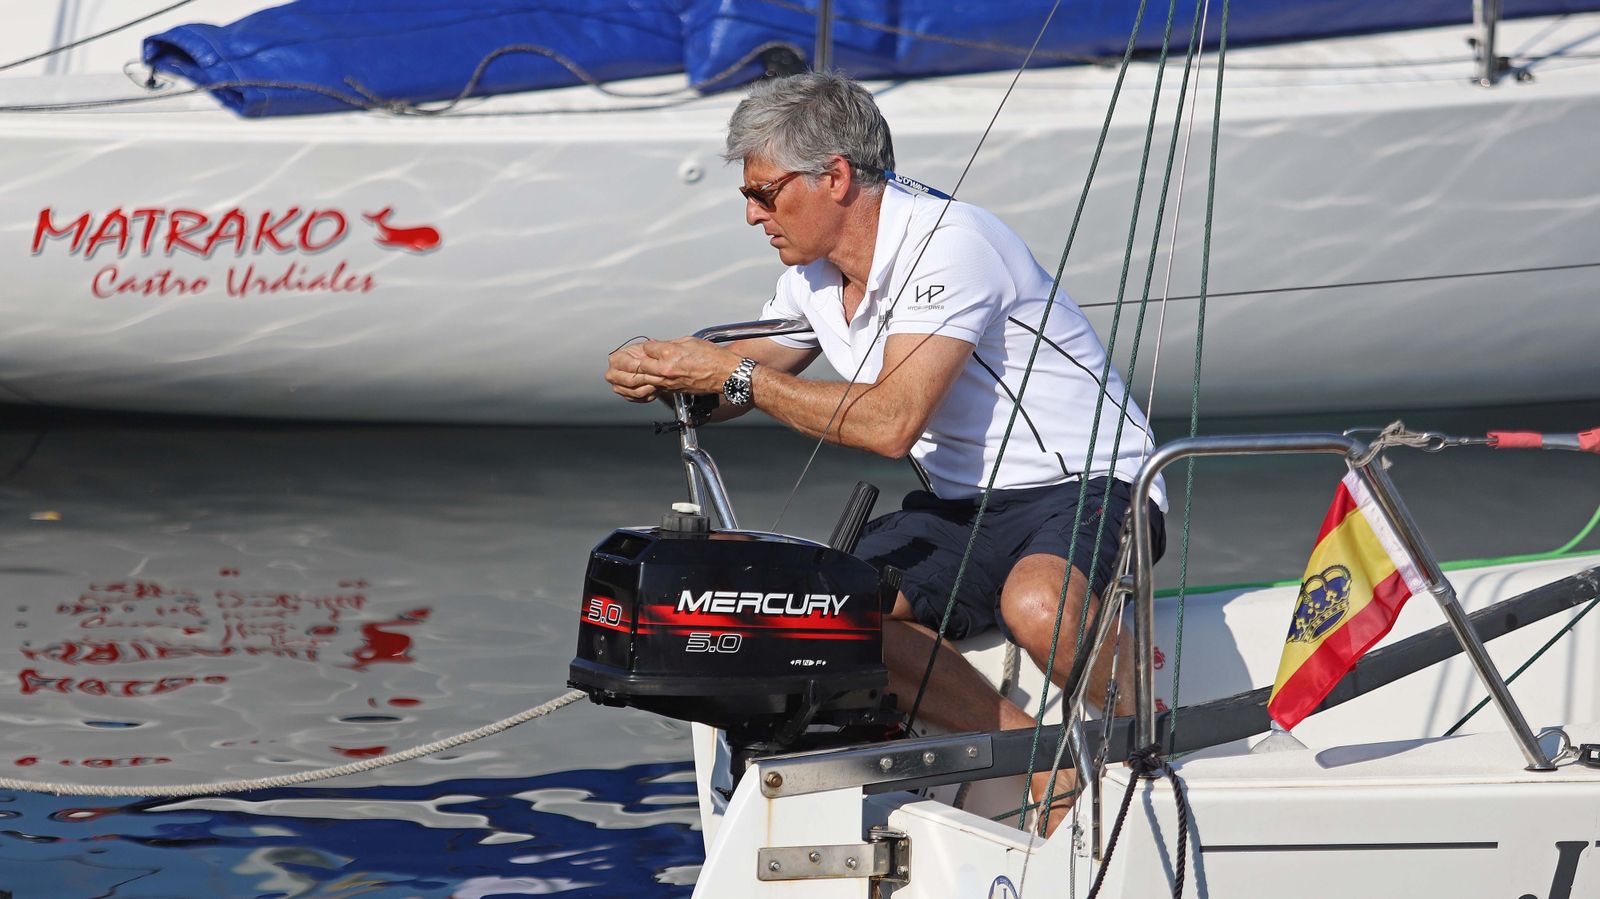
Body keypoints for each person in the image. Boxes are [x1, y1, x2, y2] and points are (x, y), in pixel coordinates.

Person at [605, 71, 1166, 834]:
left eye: (764, 193)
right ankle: (1036, 754)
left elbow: (889, 423)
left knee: (1034, 606)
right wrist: (666, 373)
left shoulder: (952, 245)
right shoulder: (810, 278)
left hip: (1095, 479)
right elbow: (740, 377)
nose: (751, 215)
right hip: (964, 505)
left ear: (833, 177)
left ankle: (1157, 740)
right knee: (820, 612)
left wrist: (732, 374)